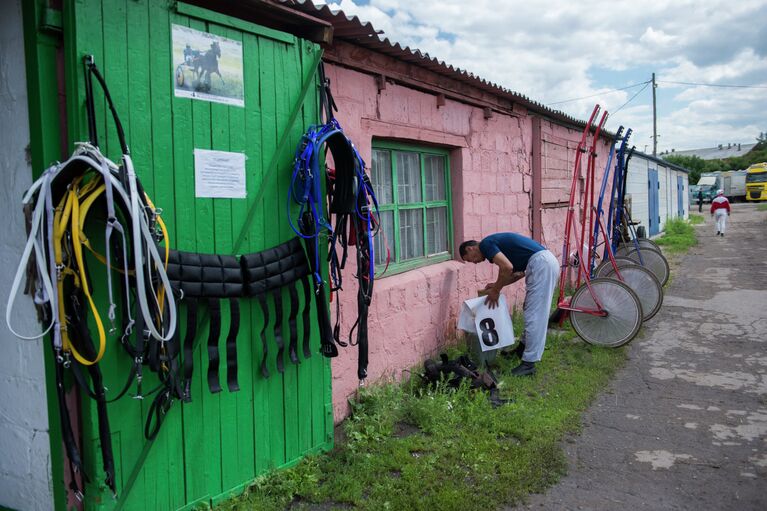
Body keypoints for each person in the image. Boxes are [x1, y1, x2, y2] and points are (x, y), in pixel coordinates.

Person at [460, 233, 559, 376]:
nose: (474, 263)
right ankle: (521, 350)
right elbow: (516, 273)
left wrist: (496, 290)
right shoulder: (491, 245)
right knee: (530, 310)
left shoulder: (485, 245)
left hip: (541, 265)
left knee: (535, 315)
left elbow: (506, 267)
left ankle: (529, 364)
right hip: (541, 264)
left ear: (470, 249)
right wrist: (497, 284)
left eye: (470, 260)